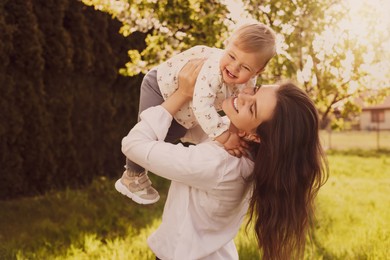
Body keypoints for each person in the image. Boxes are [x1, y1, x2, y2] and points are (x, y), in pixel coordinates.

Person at [121, 60, 328, 259]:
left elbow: (132, 145)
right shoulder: (239, 140)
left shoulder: (219, 164)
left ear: (255, 136)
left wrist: (181, 94)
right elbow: (188, 131)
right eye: (256, 90)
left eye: (252, 108)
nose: (245, 95)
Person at [115, 22, 277, 204]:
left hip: (186, 103)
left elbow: (236, 109)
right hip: (159, 86)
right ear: (227, 43)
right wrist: (224, 137)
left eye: (245, 67)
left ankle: (134, 172)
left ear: (258, 70)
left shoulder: (250, 83)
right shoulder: (212, 71)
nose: (234, 67)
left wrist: (233, 134)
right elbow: (202, 107)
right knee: (153, 134)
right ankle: (132, 175)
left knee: (174, 133)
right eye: (231, 56)